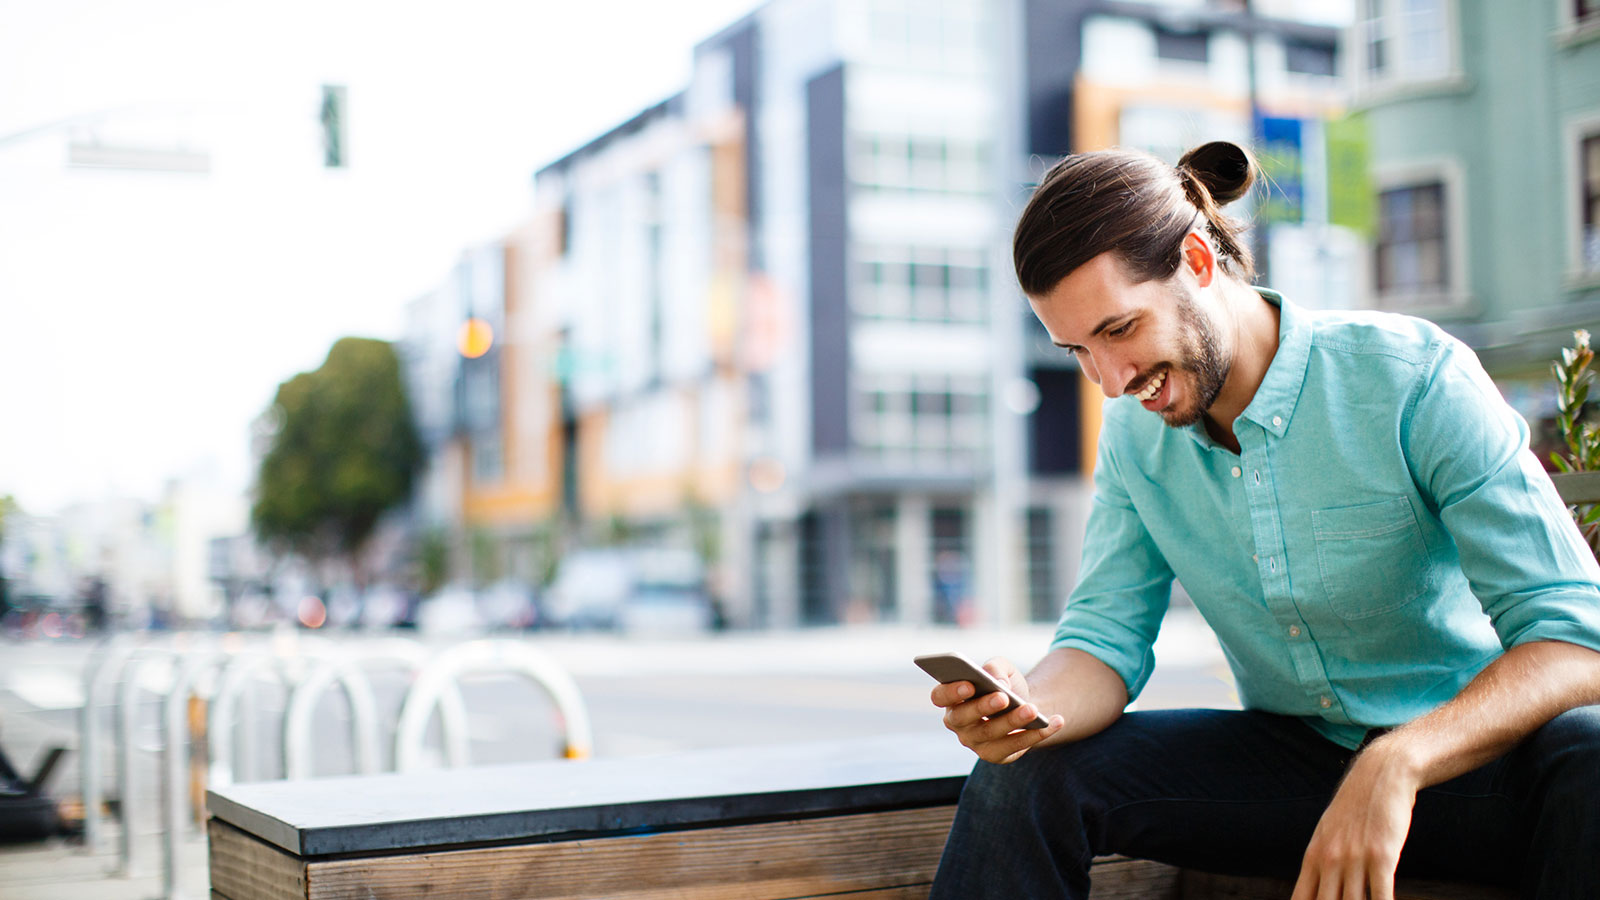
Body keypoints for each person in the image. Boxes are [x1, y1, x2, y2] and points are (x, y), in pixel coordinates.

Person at [928, 141, 1600, 900]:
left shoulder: (1413, 379)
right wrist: (1031, 712)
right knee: (1028, 775)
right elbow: (1103, 640)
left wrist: (1398, 760)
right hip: (1293, 774)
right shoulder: (1135, 437)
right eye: (1077, 350)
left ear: (1199, 261)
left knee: (1595, 747)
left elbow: (1577, 639)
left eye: (1118, 330)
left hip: (1474, 772)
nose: (1110, 382)